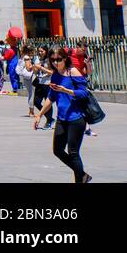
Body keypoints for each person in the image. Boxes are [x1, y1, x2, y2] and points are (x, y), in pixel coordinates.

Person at [34, 47, 90, 183]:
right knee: (58, 150)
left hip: (76, 118)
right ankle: (82, 175)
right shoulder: (55, 75)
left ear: (65, 58)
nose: (55, 62)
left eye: (59, 59)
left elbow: (84, 93)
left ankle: (80, 179)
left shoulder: (73, 72)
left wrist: (67, 90)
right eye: (52, 60)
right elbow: (51, 97)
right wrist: (40, 115)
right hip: (62, 119)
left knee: (73, 152)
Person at [31, 47, 54, 129]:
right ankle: (49, 118)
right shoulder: (39, 59)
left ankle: (49, 121)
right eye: (39, 51)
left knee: (47, 102)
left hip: (47, 83)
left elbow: (51, 72)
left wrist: (41, 67)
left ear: (46, 51)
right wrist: (35, 68)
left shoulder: (49, 60)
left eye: (42, 51)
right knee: (36, 102)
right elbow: (36, 72)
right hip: (40, 83)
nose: (40, 52)